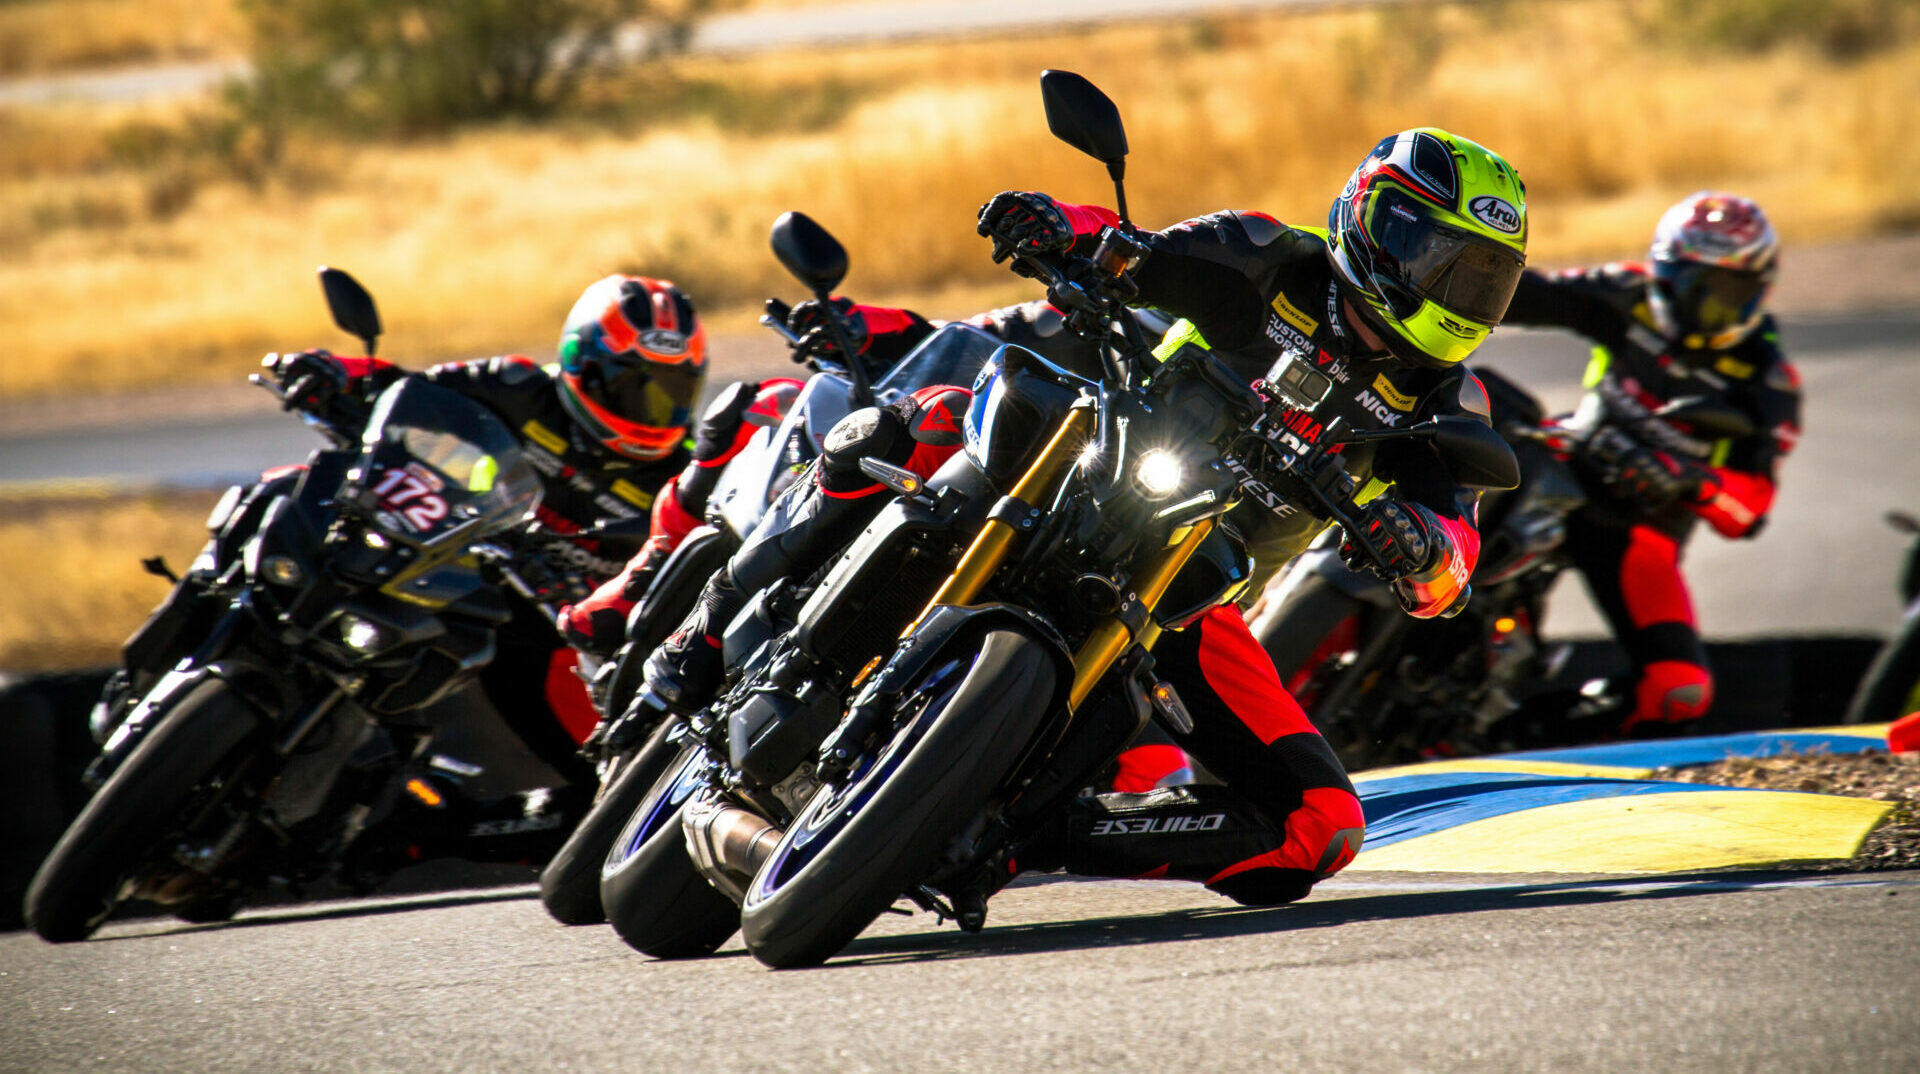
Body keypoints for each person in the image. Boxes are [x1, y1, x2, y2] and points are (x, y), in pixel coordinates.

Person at [647, 127, 1530, 910]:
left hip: (1182, 593)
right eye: (1442, 259)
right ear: (1376, 223)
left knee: (1321, 828)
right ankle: (712, 620)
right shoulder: (1270, 255)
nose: (1458, 290)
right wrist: (1055, 227)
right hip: (1088, 453)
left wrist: (1415, 544)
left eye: (1484, 277)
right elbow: (1137, 252)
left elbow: (1450, 555)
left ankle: (1015, 835)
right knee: (913, 422)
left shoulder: (1447, 404)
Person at [263, 274, 782, 856]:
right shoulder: (514, 386)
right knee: (288, 490)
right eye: (632, 385)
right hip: (447, 575)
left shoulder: (680, 477)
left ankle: (434, 827)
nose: (653, 407)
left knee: (609, 788)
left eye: (671, 388)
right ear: (580, 365)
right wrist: (334, 375)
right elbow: (409, 394)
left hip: (557, 634)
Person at [1501, 192, 1800, 737]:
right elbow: (1520, 294)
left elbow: (1752, 508)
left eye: (1732, 292)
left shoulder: (1767, 377)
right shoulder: (1628, 293)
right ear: (1663, 273)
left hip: (1641, 529)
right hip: (1563, 460)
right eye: (1695, 287)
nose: (1711, 308)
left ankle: (1516, 739)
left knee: (1678, 690)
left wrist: (1694, 480)